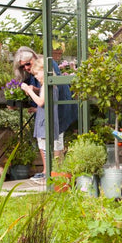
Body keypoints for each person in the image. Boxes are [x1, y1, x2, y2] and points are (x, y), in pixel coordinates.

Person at [14, 46, 77, 180]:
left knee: (54, 140)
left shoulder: (47, 67)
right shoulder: (41, 75)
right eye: (22, 67)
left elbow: (48, 96)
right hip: (51, 110)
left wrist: (31, 91)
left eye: (27, 64)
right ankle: (50, 171)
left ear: (34, 58)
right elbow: (45, 94)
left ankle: (54, 172)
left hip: (60, 109)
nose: (26, 68)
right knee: (49, 141)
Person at [20, 57, 62, 183]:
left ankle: (49, 176)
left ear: (44, 71)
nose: (36, 77)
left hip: (46, 123)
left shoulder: (46, 86)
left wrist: (29, 90)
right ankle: (51, 175)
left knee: (45, 149)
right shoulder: (51, 86)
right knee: (47, 148)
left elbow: (41, 101)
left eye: (37, 73)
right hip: (47, 120)